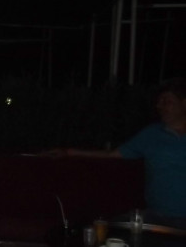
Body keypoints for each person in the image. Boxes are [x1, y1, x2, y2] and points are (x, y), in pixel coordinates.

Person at [61, 77, 186, 218]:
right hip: (159, 215)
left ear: (184, 103)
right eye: (159, 101)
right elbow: (112, 154)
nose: (159, 106)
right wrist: (69, 152)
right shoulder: (151, 134)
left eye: (167, 102)